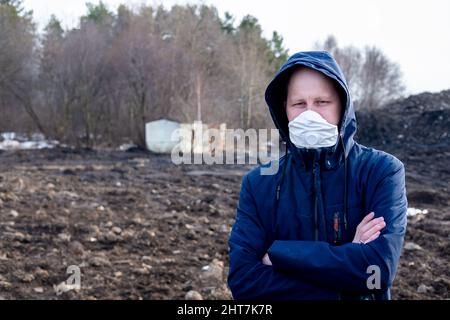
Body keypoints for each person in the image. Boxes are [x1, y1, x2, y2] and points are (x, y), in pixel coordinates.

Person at [227, 51, 408, 300]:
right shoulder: (258, 184)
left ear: (342, 106)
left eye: (322, 102)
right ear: (284, 111)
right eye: (299, 104)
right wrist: (347, 269)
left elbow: (377, 272)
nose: (309, 115)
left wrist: (280, 255)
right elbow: (244, 282)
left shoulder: (381, 171)